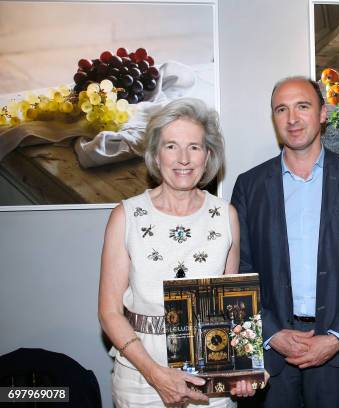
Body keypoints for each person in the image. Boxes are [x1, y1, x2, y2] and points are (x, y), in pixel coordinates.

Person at [230, 76, 339, 407]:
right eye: (281, 109)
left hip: (336, 346)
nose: (292, 118)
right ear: (274, 119)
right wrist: (270, 332)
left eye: (303, 106)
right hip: (269, 348)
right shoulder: (249, 185)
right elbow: (240, 268)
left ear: (323, 113)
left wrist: (337, 338)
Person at [98, 98, 254, 407]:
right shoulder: (126, 216)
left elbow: (233, 307)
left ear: (208, 155)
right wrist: (156, 374)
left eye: (194, 147)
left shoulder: (226, 215)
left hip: (210, 377)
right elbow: (109, 312)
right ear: (156, 154)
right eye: (171, 146)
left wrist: (243, 368)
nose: (183, 158)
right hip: (140, 378)